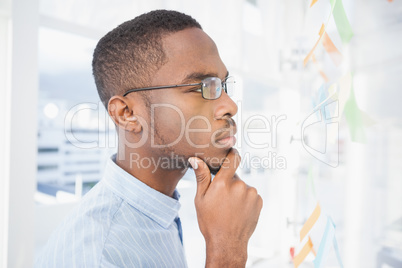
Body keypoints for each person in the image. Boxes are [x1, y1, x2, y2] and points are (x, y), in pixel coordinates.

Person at [36, 9, 262, 267]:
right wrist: (227, 250)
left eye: (222, 84)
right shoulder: (99, 256)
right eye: (201, 87)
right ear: (127, 114)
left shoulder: (159, 209)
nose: (230, 104)